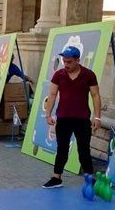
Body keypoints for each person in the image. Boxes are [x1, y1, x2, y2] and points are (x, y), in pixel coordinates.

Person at [42, 46, 101, 188]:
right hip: (63, 118)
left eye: (69, 62)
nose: (66, 65)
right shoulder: (59, 75)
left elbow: (95, 95)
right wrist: (48, 114)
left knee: (83, 150)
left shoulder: (89, 75)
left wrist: (97, 117)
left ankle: (89, 178)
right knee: (62, 149)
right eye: (64, 61)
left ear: (77, 60)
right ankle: (57, 178)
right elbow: (52, 95)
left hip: (82, 119)